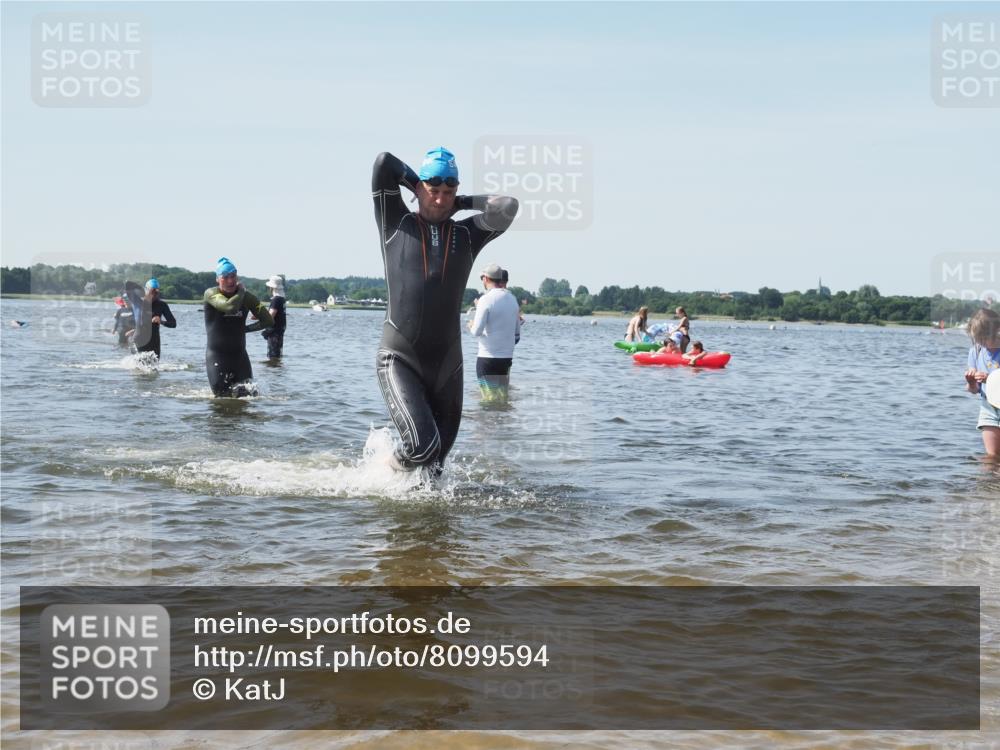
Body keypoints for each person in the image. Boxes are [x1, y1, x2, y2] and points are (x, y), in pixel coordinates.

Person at [372, 146, 518, 471]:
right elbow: (385, 164)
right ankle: (383, 472)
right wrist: (416, 186)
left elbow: (508, 206)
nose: (439, 199)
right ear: (419, 189)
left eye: (448, 192)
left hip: (447, 366)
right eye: (433, 191)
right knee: (422, 447)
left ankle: (402, 496)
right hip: (399, 359)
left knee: (435, 465)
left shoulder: (467, 234)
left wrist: (461, 203)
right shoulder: (395, 223)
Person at [203, 257, 273, 397]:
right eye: (225, 277)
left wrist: (246, 329)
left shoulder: (248, 298)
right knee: (222, 397)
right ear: (218, 279)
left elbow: (268, 321)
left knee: (249, 397)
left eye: (233, 276)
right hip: (217, 356)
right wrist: (241, 292)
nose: (230, 281)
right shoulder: (211, 294)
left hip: (240, 357)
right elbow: (229, 307)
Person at [469, 264, 521, 403]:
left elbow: (476, 331)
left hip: (487, 358)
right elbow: (517, 335)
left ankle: (490, 424)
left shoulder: (485, 299)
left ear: (486, 279)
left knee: (488, 401)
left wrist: (471, 325)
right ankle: (502, 423)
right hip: (506, 359)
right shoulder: (512, 299)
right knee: (501, 399)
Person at [964, 308, 1000, 457]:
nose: (981, 343)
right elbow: (974, 390)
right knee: (991, 456)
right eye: (977, 339)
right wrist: (971, 382)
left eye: (984, 338)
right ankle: (987, 481)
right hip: (988, 407)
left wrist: (990, 379)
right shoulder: (976, 351)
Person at [125, 278, 176, 359]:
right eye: (152, 291)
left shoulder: (162, 305)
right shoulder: (137, 301)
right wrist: (143, 289)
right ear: (146, 290)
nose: (154, 294)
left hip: (154, 342)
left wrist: (161, 321)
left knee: (153, 368)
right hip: (139, 339)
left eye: (156, 292)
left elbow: (173, 323)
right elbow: (127, 284)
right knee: (139, 367)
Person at [262, 275, 287, 359]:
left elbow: (271, 316)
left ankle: (273, 370)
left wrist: (259, 317)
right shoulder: (282, 299)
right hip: (280, 331)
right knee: (278, 355)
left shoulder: (275, 300)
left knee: (273, 356)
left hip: (274, 332)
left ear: (272, 288)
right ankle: (277, 370)